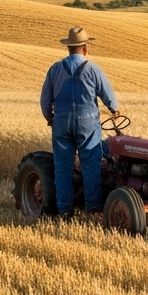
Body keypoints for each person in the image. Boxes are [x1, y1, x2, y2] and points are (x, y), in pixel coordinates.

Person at [40, 26, 119, 218]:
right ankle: (92, 208)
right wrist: (114, 109)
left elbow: (45, 100)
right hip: (87, 123)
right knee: (91, 165)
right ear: (85, 48)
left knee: (63, 168)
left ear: (69, 48)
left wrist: (50, 118)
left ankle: (64, 211)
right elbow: (108, 95)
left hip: (61, 123)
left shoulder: (55, 69)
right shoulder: (93, 69)